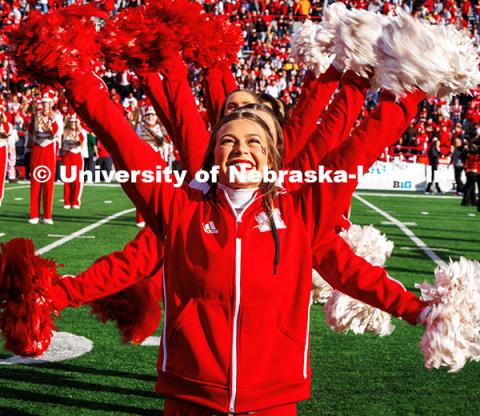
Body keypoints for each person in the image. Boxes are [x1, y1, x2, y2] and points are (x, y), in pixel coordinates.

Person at [53, 63, 429, 415]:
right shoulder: (181, 208)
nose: (241, 149)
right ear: (212, 154)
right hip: (190, 393)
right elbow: (122, 141)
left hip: (274, 398)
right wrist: (75, 79)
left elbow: (357, 152)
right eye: (228, 141)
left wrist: (417, 309)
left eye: (254, 142)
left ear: (272, 156)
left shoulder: (300, 213)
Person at [28, 93, 59, 224]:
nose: (45, 105)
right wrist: (33, 119)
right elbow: (30, 130)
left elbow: (56, 133)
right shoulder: (36, 116)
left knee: (48, 183)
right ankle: (34, 215)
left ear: (51, 104)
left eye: (48, 102)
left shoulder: (57, 116)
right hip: (37, 147)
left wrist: (52, 120)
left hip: (49, 148)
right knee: (35, 182)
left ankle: (47, 215)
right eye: (44, 102)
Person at [61, 114, 86, 209]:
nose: (73, 124)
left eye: (75, 122)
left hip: (77, 155)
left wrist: (77, 133)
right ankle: (67, 201)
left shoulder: (81, 132)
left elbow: (79, 142)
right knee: (67, 179)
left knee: (77, 180)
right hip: (67, 155)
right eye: (71, 122)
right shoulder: (65, 131)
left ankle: (75, 201)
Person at [0, 101, 12, 206]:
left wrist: (4, 121)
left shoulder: (5, 124)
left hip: (1, 147)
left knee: (0, 174)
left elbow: (6, 134)